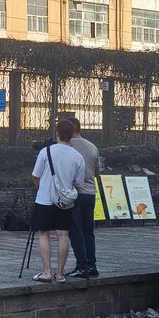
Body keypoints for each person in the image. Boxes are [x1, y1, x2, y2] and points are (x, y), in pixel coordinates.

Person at [30, 119, 85, 284]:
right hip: (65, 202)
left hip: (44, 199)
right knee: (63, 235)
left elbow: (35, 175)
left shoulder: (45, 152)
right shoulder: (77, 156)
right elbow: (79, 183)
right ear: (72, 135)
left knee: (43, 233)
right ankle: (60, 274)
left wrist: (42, 188)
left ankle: (47, 272)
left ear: (57, 133)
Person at [67, 117, 100, 279]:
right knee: (88, 231)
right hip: (90, 193)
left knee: (75, 231)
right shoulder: (92, 146)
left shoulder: (68, 147)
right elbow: (97, 172)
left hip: (75, 193)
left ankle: (81, 266)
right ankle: (92, 265)